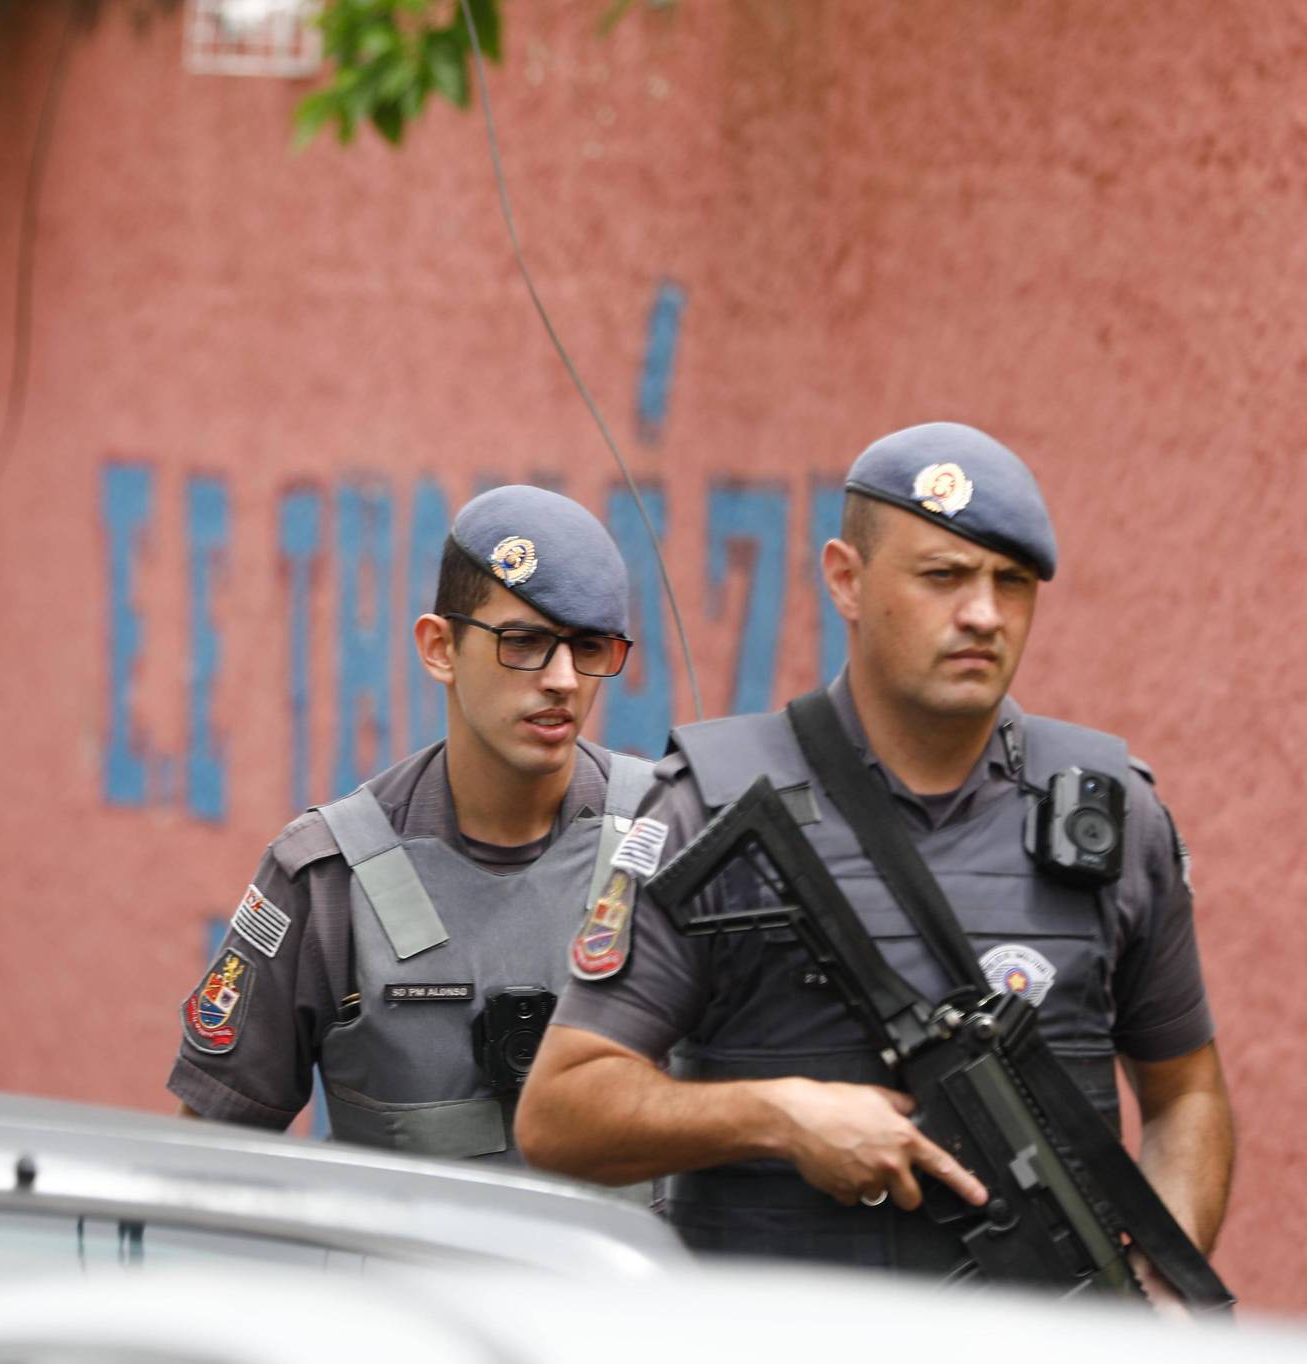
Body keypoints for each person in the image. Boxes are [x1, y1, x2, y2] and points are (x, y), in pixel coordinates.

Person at [520, 422, 1233, 1296]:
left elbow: (1187, 1096)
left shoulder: (1111, 818)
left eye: (1011, 584)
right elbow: (559, 1113)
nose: (983, 613)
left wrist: (1163, 1280)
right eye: (944, 576)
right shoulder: (711, 805)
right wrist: (777, 1116)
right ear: (846, 581)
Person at [169, 486, 654, 1160]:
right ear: (440, 648)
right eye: (526, 642)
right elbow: (205, 1162)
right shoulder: (328, 879)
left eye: (590, 646)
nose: (564, 680)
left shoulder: (674, 840)